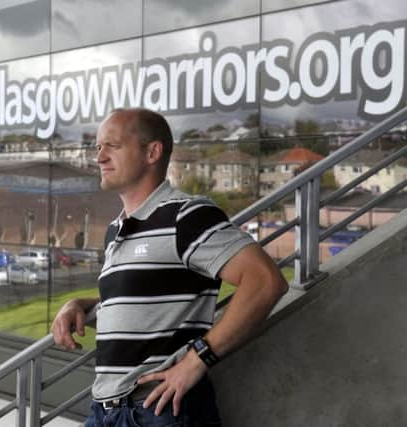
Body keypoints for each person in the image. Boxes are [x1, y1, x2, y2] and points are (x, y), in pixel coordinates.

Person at [51, 108, 288, 426]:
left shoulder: (185, 216)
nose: (100, 158)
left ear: (152, 152)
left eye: (113, 146)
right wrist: (77, 304)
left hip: (156, 412)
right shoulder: (116, 228)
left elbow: (265, 281)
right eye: (98, 148)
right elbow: (138, 300)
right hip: (105, 411)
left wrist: (196, 361)